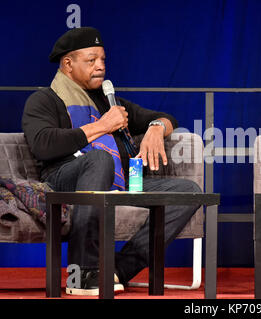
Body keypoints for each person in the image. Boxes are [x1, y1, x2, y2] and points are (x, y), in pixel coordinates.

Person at [22, 27, 202, 296]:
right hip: (63, 180)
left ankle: (117, 269)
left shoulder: (108, 102)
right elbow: (43, 144)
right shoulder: (44, 100)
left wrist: (155, 128)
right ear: (68, 64)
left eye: (103, 60)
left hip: (115, 182)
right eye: (91, 60)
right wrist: (103, 126)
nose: (100, 66)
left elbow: (165, 117)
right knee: (100, 159)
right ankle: (81, 273)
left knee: (187, 192)